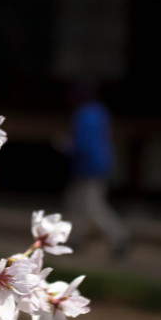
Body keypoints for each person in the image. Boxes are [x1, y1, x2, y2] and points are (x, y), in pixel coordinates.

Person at [62, 82, 130, 258]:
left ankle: (120, 238)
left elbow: (84, 144)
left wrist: (68, 145)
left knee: (92, 206)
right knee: (76, 203)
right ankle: (75, 239)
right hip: (99, 163)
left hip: (89, 165)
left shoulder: (85, 114)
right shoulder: (100, 111)